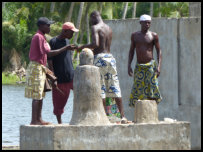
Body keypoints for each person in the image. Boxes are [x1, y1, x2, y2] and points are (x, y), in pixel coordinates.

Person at [25, 17, 77, 125]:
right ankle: (34, 120)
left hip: (41, 67)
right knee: (37, 95)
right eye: (47, 25)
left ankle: (39, 119)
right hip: (36, 67)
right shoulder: (38, 37)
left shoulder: (42, 37)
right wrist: (65, 49)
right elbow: (48, 54)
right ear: (41, 26)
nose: (49, 27)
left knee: (41, 94)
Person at [77, 11, 128, 123]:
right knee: (114, 87)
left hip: (99, 59)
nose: (91, 22)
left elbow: (95, 44)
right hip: (110, 58)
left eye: (91, 19)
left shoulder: (95, 27)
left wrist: (82, 47)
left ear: (94, 17)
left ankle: (104, 117)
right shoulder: (108, 28)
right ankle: (122, 116)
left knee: (102, 88)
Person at [47, 22, 79, 124]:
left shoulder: (67, 41)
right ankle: (60, 123)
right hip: (59, 78)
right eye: (71, 32)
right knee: (58, 103)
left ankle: (79, 119)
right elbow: (50, 60)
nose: (72, 34)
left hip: (71, 76)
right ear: (65, 31)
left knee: (81, 94)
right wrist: (53, 77)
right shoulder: (53, 41)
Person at [128, 14, 162, 107]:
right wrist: (129, 65)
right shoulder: (135, 35)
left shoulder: (153, 35)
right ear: (140, 23)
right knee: (137, 88)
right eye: (145, 23)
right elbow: (131, 51)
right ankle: (140, 110)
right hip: (139, 66)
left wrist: (158, 66)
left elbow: (159, 51)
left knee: (153, 87)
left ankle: (151, 108)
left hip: (150, 65)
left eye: (149, 23)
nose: (147, 24)